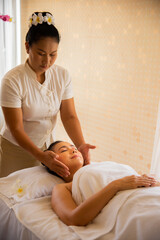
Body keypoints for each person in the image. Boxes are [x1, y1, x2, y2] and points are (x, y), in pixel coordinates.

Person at [0, 12, 95, 177]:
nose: (47, 61)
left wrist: (81, 145)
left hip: (48, 148)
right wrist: (40, 156)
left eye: (53, 54)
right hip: (16, 149)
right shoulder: (12, 80)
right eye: (41, 53)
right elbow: (15, 128)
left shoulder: (62, 75)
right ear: (27, 47)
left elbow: (69, 116)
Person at [48, 140, 160, 227]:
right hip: (134, 207)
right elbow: (73, 219)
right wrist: (116, 185)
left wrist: (149, 181)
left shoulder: (103, 165)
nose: (74, 150)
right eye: (63, 150)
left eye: (74, 148)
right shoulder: (62, 188)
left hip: (150, 194)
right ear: (52, 162)